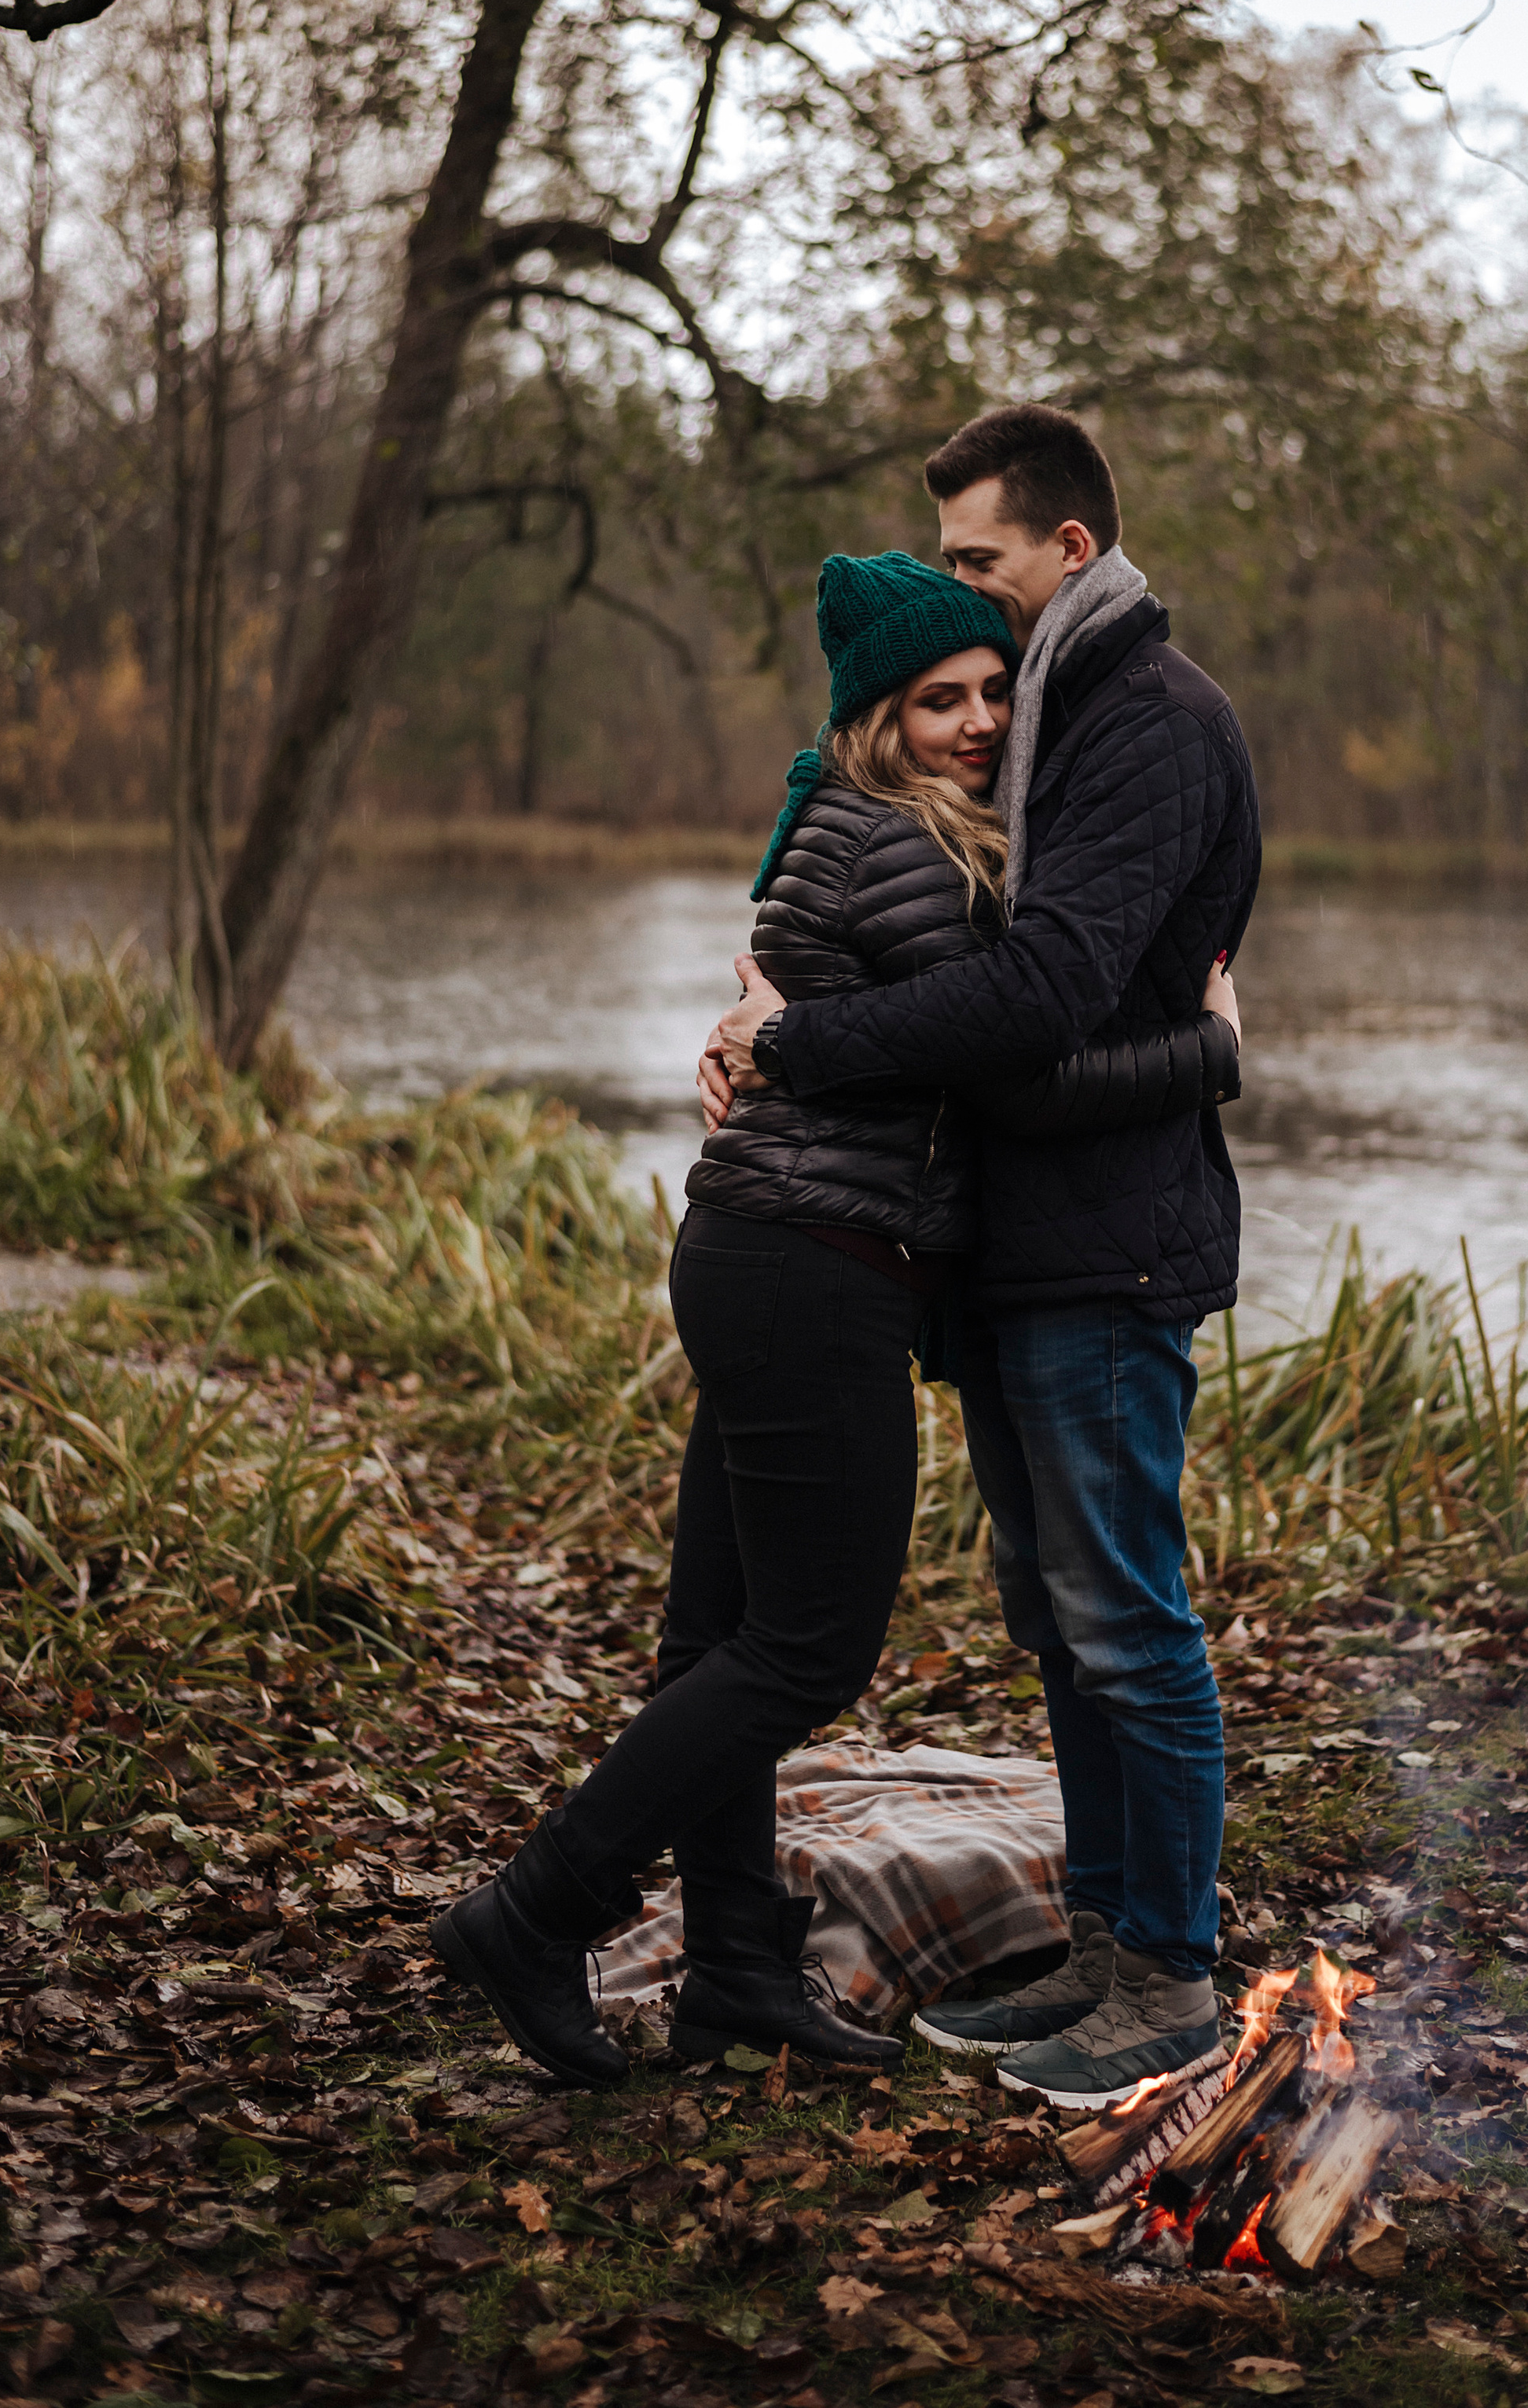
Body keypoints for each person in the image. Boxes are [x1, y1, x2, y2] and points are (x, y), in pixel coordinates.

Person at [435, 545, 1240, 2089]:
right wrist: (1205, 1052)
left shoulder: (872, 828)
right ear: (878, 718)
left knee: (715, 1636)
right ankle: (535, 1911)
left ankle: (737, 1969)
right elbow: (1012, 1067)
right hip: (815, 1266)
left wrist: (777, 1036)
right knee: (808, 1649)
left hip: (766, 1251)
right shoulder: (902, 848)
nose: (979, 720)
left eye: (994, 688)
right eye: (940, 699)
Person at [708, 406, 1259, 2113]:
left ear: (1067, 549)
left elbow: (1034, 1005)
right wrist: (762, 1018)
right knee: (1062, 1622)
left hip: (1112, 1247)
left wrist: (797, 1048)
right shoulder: (1047, 710)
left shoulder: (1148, 721)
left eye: (978, 557)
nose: (961, 590)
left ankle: (1168, 1972)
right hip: (1023, 1249)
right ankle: (1096, 1942)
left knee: (1128, 1618)